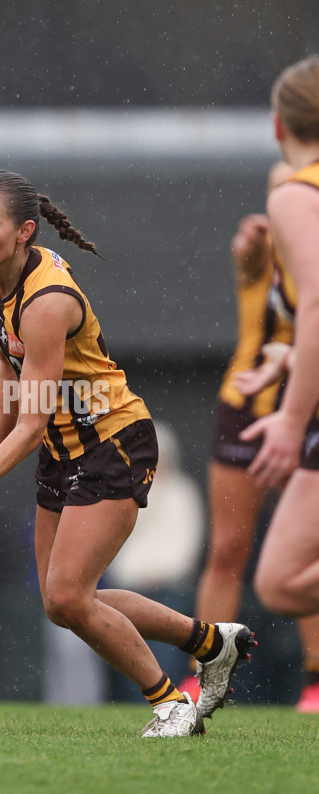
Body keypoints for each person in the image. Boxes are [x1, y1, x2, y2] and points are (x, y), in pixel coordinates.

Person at [0, 169, 255, 737]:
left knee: (67, 594)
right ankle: (210, 642)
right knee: (63, 603)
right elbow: (8, 365)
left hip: (114, 441)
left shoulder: (47, 302)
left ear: (24, 232)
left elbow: (34, 423)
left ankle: (172, 705)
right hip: (64, 451)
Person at [179, 160, 319, 713]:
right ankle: (207, 678)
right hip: (245, 408)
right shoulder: (264, 246)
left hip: (304, 412)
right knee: (227, 549)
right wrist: (251, 243)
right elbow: (248, 256)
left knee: (303, 557)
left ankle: (316, 678)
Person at [233, 57, 319, 674]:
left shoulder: (295, 192)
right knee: (282, 582)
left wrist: (290, 419)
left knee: (282, 582)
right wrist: (286, 357)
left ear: (278, 127)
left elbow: (317, 301)